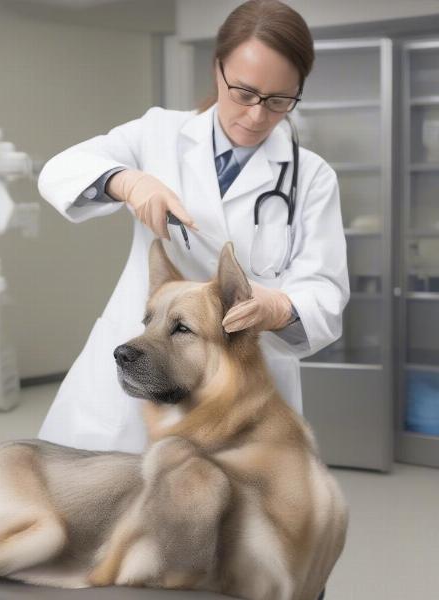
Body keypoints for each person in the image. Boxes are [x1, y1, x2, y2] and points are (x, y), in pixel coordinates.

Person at [36, 0, 349, 454]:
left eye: (279, 101)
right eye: (243, 93)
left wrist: (278, 307)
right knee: (100, 506)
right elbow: (60, 169)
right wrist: (127, 180)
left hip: (239, 392)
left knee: (218, 515)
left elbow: (324, 290)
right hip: (144, 368)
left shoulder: (312, 176)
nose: (257, 116)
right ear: (217, 69)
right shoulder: (158, 133)